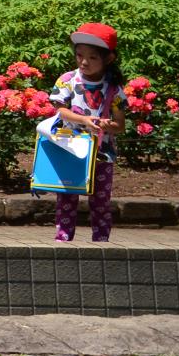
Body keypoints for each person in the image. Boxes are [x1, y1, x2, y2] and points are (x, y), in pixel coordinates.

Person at [48, 22, 126, 243]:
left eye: (92, 57)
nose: (84, 62)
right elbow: (60, 110)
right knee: (66, 197)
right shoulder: (68, 80)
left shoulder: (114, 88)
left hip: (102, 153)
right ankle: (63, 239)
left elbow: (120, 125)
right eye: (80, 55)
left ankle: (101, 242)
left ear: (108, 59)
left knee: (101, 201)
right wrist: (83, 119)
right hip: (71, 149)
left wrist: (105, 125)